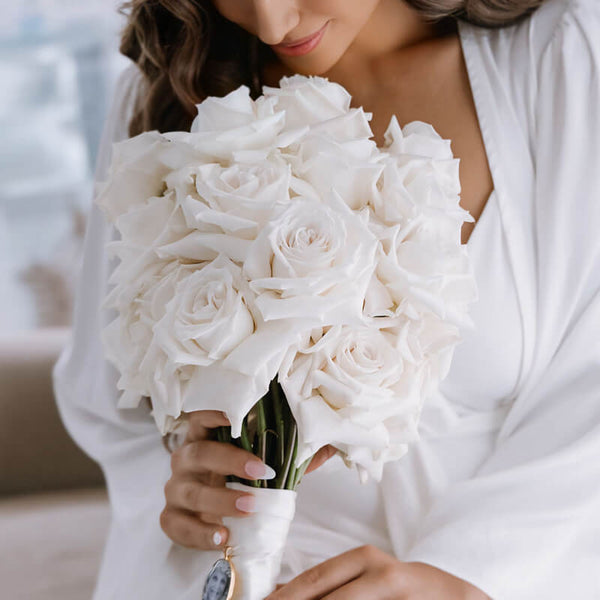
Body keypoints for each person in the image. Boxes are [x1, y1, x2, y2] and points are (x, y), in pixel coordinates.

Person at [52, 0, 600, 598]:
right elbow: (110, 402)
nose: (272, 23)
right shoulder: (167, 89)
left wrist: (464, 578)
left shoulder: (565, 54)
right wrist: (184, 477)